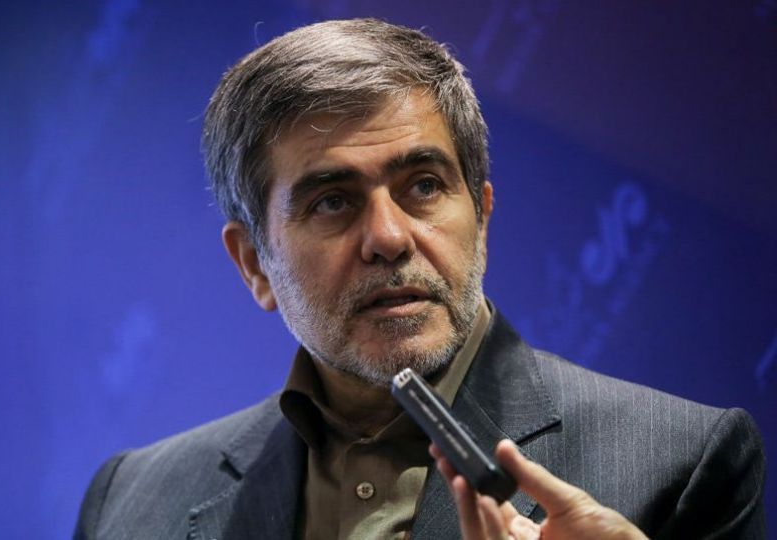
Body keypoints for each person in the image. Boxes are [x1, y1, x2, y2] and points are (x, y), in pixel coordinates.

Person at [74, 18, 766, 539]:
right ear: (254, 263)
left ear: (482, 216)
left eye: (424, 185)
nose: (389, 237)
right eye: (332, 201)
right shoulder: (131, 504)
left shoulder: (681, 462)